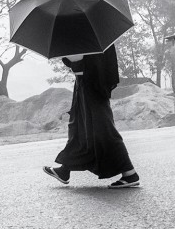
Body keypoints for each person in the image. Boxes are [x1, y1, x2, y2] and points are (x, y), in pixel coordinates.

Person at [43, 46, 141, 188]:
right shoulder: (90, 34)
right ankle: (65, 170)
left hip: (93, 85)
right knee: (79, 127)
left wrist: (69, 54)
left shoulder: (87, 37)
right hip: (85, 84)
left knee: (104, 130)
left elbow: (83, 61)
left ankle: (130, 174)